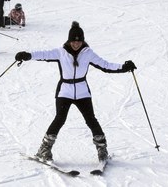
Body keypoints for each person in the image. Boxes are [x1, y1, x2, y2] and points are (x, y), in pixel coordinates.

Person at [14, 21, 137, 162]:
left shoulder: (88, 53)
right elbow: (43, 54)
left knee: (91, 120)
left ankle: (102, 150)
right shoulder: (61, 52)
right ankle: (44, 150)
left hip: (82, 91)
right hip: (64, 91)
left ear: (83, 41)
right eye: (73, 41)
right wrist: (27, 55)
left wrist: (124, 67)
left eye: (79, 41)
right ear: (69, 40)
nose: (76, 44)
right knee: (59, 119)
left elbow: (106, 65)